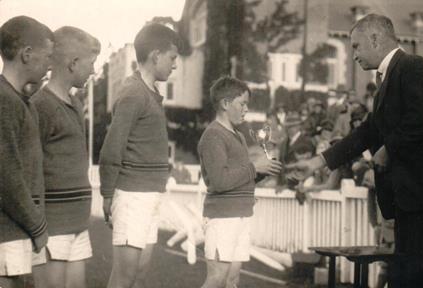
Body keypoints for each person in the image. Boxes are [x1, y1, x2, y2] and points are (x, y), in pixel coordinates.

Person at [291, 14, 423, 287]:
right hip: (411, 203)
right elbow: (366, 133)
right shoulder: (386, 81)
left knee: (415, 282)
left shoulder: (414, 67)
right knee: (406, 281)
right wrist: (318, 162)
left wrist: (387, 150)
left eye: (356, 46)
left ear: (375, 39)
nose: (353, 55)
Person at [99, 23, 180, 288]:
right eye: (172, 58)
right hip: (132, 195)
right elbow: (113, 146)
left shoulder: (152, 93)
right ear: (156, 55)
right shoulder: (133, 92)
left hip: (149, 196)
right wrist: (108, 194)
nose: (175, 65)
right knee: (124, 277)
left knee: (140, 273)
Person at [30, 27, 100, 288]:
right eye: (91, 64)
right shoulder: (40, 105)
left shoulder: (76, 104)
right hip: (52, 226)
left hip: (77, 224)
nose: (94, 71)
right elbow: (28, 169)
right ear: (73, 63)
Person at [198, 76, 282, 288]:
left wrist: (265, 170)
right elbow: (219, 181)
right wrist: (255, 168)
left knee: (232, 280)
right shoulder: (213, 135)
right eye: (242, 103)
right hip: (222, 218)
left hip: (240, 216)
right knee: (217, 278)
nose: (246, 109)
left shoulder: (239, 137)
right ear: (225, 104)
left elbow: (240, 177)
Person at [0, 16, 53, 288]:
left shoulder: (23, 101)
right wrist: (38, 226)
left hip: (19, 232)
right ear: (27, 53)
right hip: (6, 234)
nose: (50, 65)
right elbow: (6, 176)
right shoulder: (4, 100)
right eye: (48, 56)